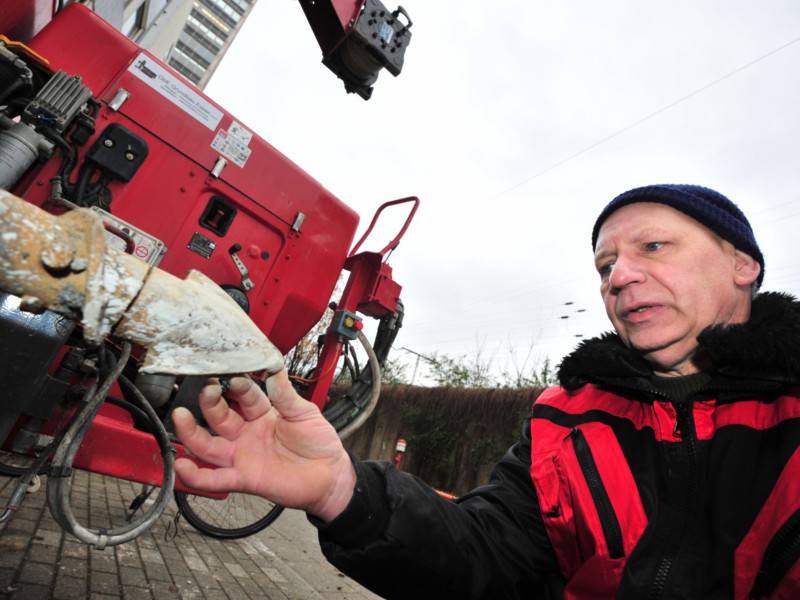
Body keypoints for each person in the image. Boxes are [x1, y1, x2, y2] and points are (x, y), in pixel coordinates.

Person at [172, 184, 800, 599]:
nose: (620, 277)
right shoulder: (566, 421)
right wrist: (344, 491)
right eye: (606, 266)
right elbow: (489, 561)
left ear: (743, 263)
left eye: (654, 247)